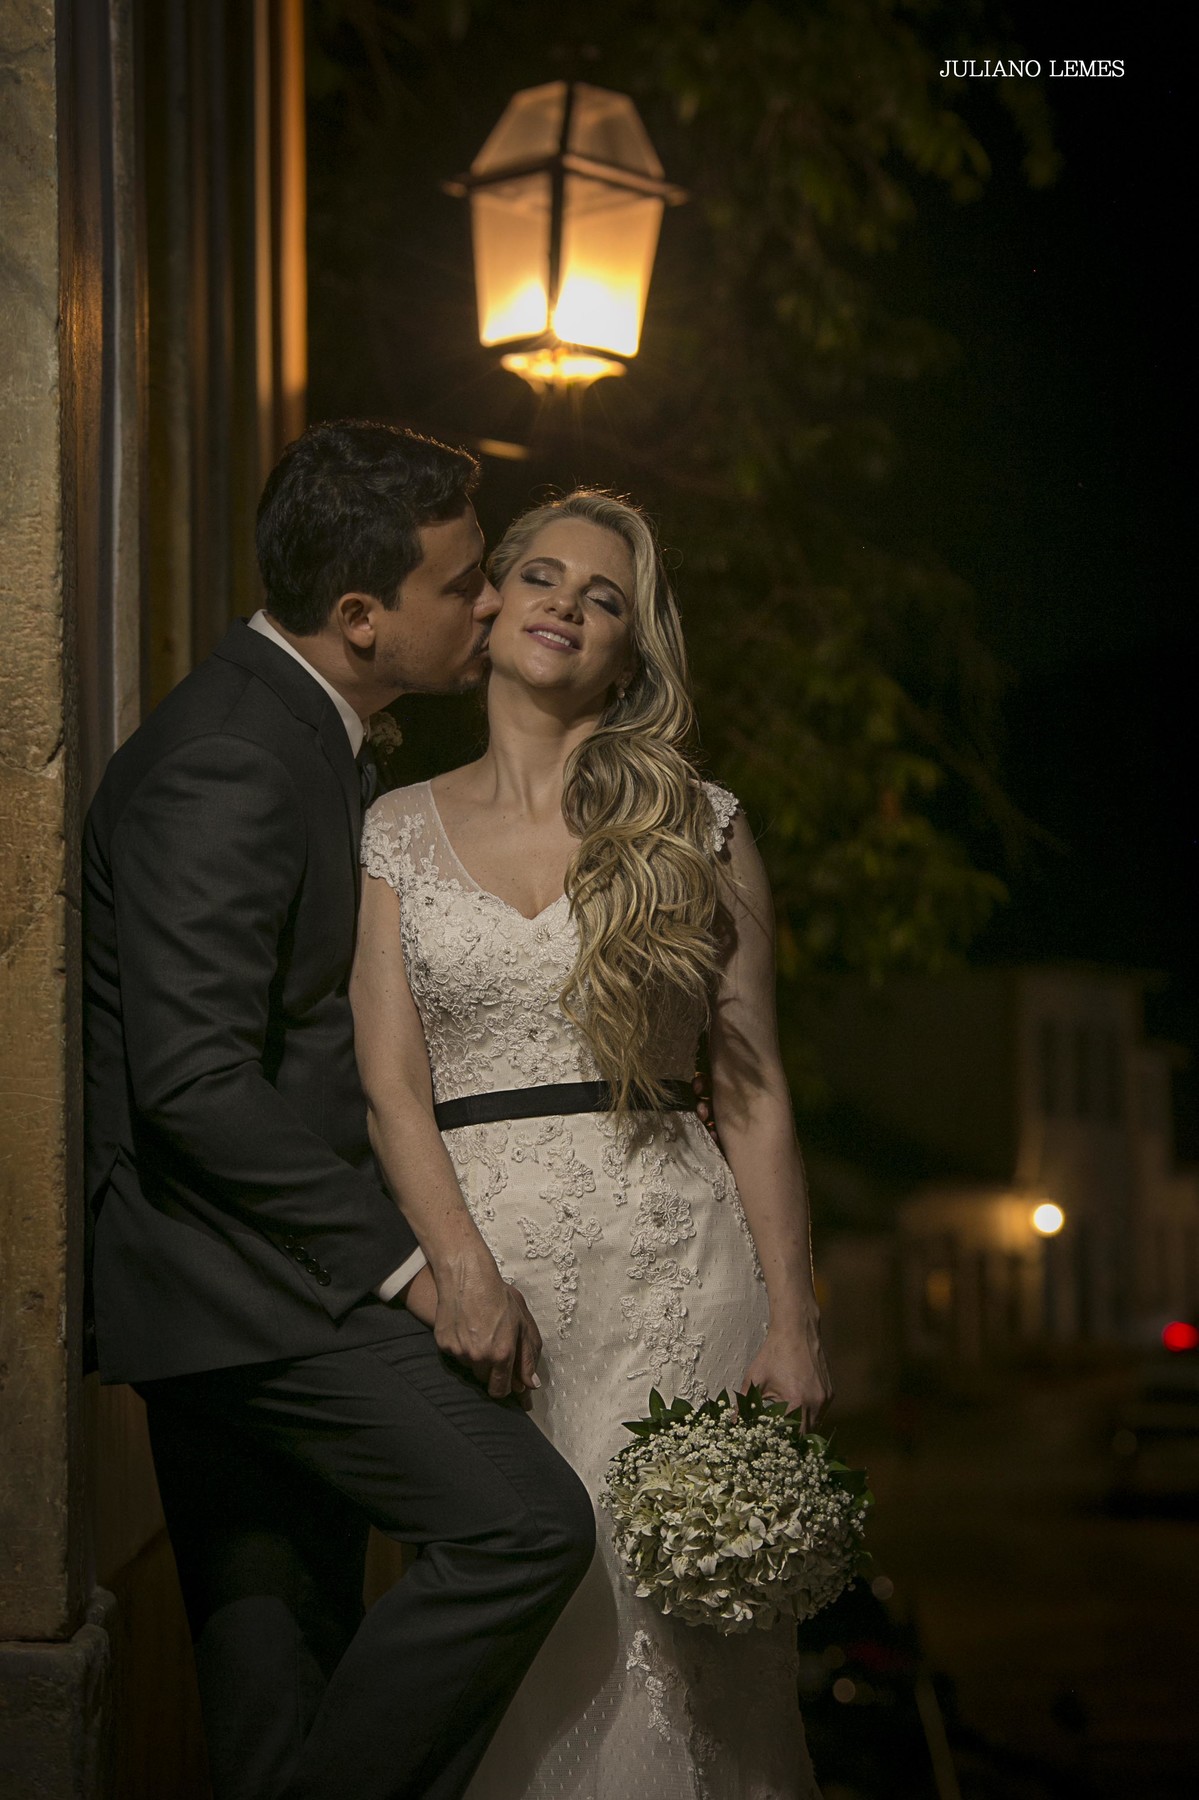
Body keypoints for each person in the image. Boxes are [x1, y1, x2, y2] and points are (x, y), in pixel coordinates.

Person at [82, 421, 595, 1800]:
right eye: (463, 582)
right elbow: (191, 1084)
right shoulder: (235, 759)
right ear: (360, 617)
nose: (493, 603)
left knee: (279, 1698)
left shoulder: (305, 731)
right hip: (241, 1290)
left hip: (239, 1289)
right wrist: (416, 1269)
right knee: (525, 1526)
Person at [353, 488, 832, 1799]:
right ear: (490, 603)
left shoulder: (700, 820)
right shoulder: (386, 828)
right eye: (544, 575)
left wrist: (794, 1323)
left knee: (680, 1650)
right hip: (480, 1288)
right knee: (510, 1642)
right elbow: (392, 1089)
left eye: (605, 595)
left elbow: (754, 1091)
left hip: (675, 1274)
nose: (569, 602)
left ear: (631, 650)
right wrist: (453, 1266)